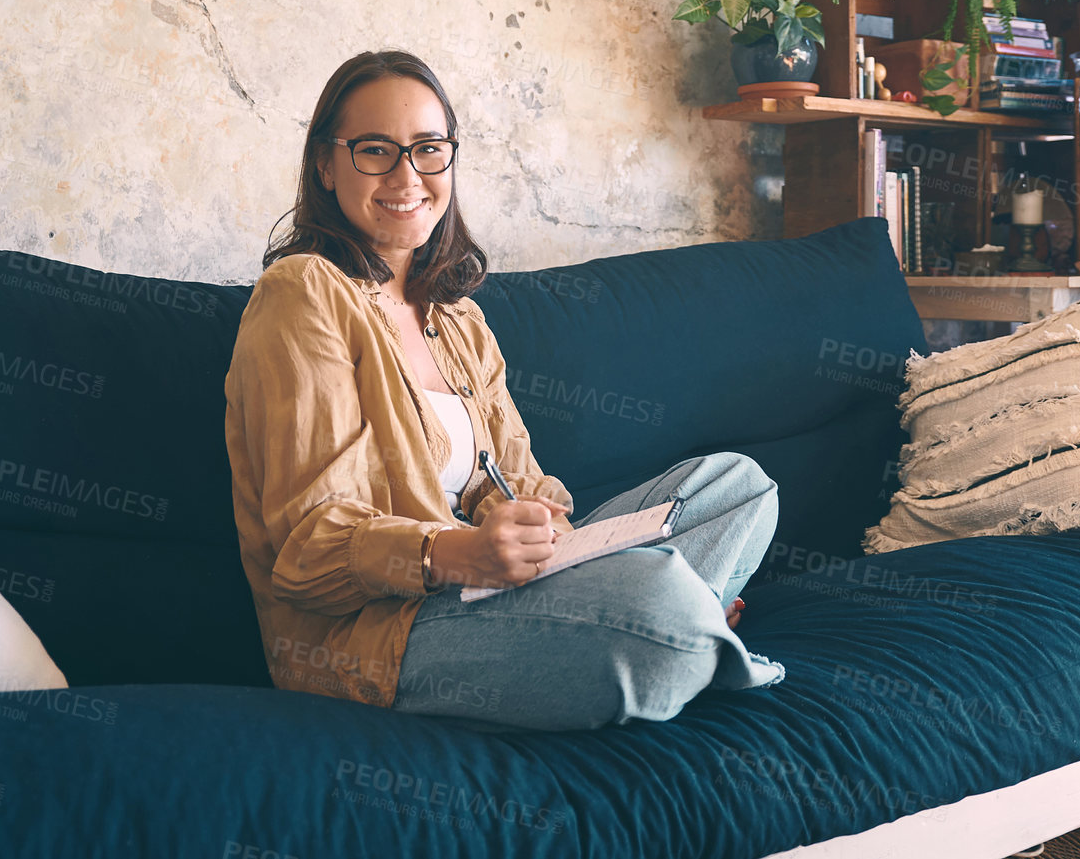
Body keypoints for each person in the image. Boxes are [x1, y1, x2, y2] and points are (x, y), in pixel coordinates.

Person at [224, 49, 783, 732]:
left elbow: (521, 483)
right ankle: (686, 634)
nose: (407, 175)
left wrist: (553, 539)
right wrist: (452, 553)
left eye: (429, 149)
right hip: (374, 634)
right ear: (325, 163)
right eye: (376, 150)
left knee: (739, 487)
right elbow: (304, 552)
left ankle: (675, 639)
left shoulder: (458, 319)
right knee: (658, 594)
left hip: (493, 589)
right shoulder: (303, 294)